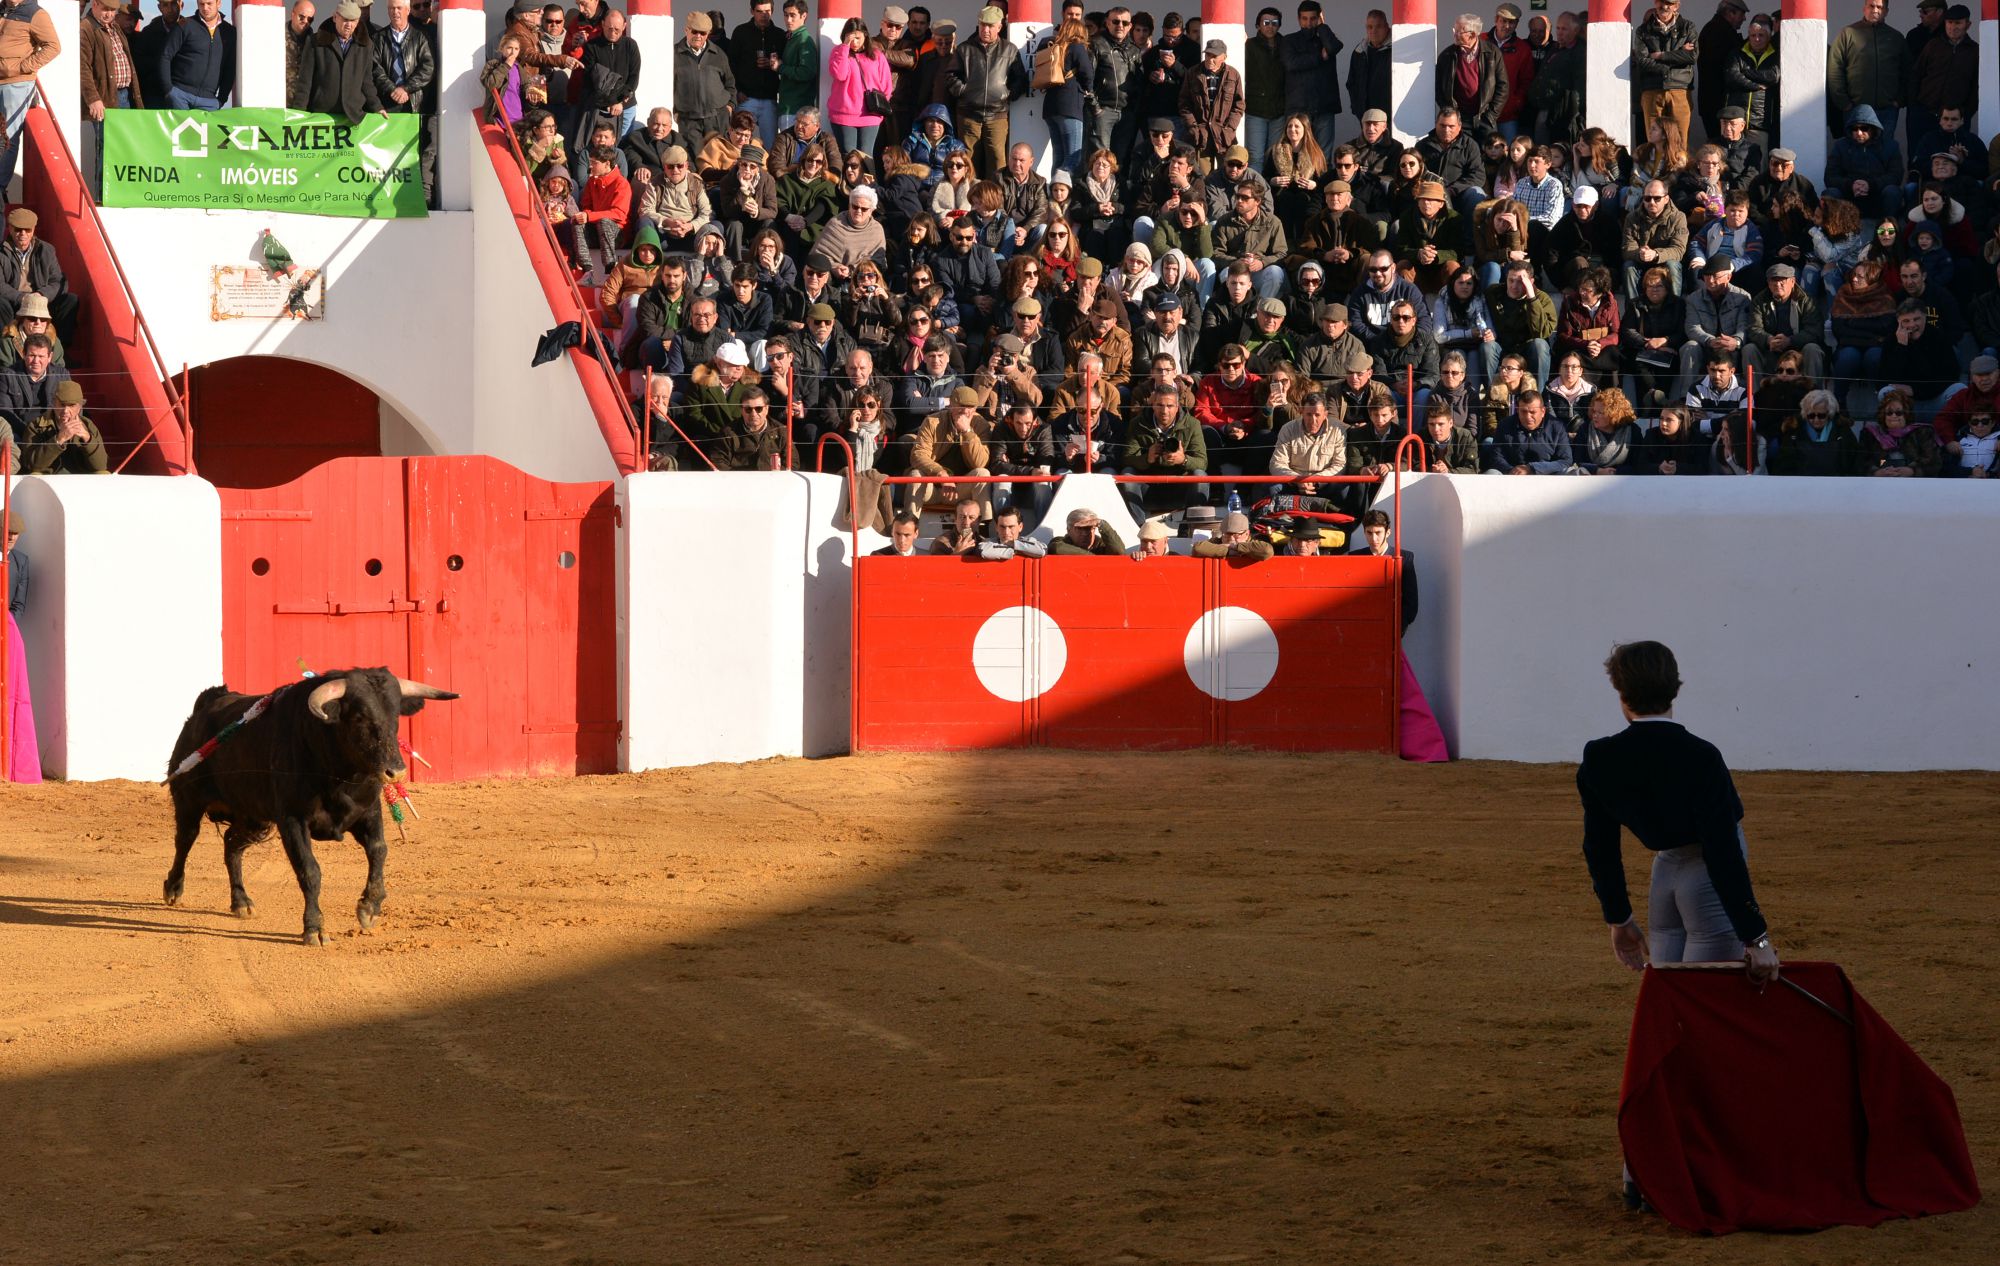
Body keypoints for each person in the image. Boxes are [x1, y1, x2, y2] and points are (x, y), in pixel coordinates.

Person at [1576, 639, 1781, 1225]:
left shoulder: (1600, 757)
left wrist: (1618, 919)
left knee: (1666, 1024)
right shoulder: (1701, 755)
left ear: (1621, 697)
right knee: (1700, 1031)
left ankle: (1638, 1171)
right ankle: (1692, 1172)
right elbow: (1721, 848)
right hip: (1707, 886)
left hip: (1661, 878)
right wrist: (1756, 935)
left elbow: (1601, 847)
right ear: (1677, 689)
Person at [946, 6, 1025, 180]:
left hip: (997, 115)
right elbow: (950, 75)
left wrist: (1007, 94)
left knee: (998, 162)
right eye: (982, 24)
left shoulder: (1009, 50)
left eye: (990, 25)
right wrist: (964, 91)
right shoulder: (964, 48)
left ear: (1000, 26)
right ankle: (967, 200)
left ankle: (995, 201)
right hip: (968, 114)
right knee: (966, 162)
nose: (985, 29)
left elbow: (1020, 78)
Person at [372, 0, 436, 203]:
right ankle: (389, 198)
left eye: (399, 8)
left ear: (408, 10)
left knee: (417, 153)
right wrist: (392, 89)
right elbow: (375, 68)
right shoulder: (379, 38)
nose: (395, 12)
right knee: (391, 152)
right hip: (390, 103)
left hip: (414, 103)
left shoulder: (420, 37)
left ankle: (417, 199)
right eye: (391, 9)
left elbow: (428, 67)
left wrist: (406, 88)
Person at [81, 0, 142, 189]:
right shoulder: (86, 27)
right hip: (104, 97)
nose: (109, 14)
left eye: (113, 11)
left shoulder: (114, 26)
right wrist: (93, 98)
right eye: (106, 9)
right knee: (106, 148)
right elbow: (82, 67)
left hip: (124, 95)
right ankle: (102, 195)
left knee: (123, 146)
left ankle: (119, 191)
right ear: (96, 5)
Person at [1827, 0, 1907, 143]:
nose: (1875, 10)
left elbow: (1907, 71)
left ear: (1886, 11)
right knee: (1856, 154)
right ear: (1864, 8)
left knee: (1885, 152)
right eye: (1871, 6)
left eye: (1880, 7)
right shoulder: (1848, 34)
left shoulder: (1896, 38)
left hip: (1886, 111)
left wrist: (1899, 100)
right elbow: (1834, 69)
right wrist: (1844, 102)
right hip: (1855, 109)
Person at [292, 2, 383, 122]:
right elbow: (305, 82)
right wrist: (298, 113)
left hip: (352, 117)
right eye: (345, 19)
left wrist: (377, 107)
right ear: (335, 17)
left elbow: (366, 82)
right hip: (321, 116)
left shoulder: (366, 45)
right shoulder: (315, 42)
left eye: (353, 21)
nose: (348, 25)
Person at [1631, 0, 1696, 159]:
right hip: (1652, 90)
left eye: (1669, 3)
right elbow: (1643, 61)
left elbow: (1692, 56)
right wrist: (1673, 62)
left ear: (1677, 5)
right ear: (1655, 3)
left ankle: (1679, 177)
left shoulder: (1688, 27)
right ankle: (1655, 176)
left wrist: (1661, 55)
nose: (1665, 6)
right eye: (1661, 2)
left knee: (1680, 139)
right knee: (1653, 139)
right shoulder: (1643, 30)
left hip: (1680, 89)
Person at [0, 210, 76, 346]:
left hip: (41, 300)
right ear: (10, 228)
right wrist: (21, 297)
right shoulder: (1, 252)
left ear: (33, 229)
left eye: (27, 230)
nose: (22, 234)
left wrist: (42, 294)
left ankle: (60, 349)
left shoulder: (47, 250)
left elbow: (58, 281)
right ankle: (7, 349)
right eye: (18, 229)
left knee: (70, 300)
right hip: (15, 301)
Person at [1280, 0, 1343, 160]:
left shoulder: (1326, 37)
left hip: (1324, 106)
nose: (1308, 23)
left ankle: (1321, 185)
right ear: (1298, 19)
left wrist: (1322, 26)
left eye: (1313, 18)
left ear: (1319, 18)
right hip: (1298, 107)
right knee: (1297, 153)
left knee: (1324, 156)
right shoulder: (1289, 40)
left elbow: (1335, 46)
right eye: (1304, 18)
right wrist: (1319, 56)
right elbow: (1291, 63)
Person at [1434, 14, 1505, 143]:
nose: (1454, 34)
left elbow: (1503, 86)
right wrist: (1449, 112)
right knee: (1460, 153)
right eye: (1454, 30)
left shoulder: (1492, 53)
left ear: (1472, 35)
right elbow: (1438, 87)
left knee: (1489, 153)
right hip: (1459, 118)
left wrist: (1491, 115)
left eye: (1458, 31)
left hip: (1485, 116)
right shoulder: (1447, 55)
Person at [827, 17, 891, 157]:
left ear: (865, 35)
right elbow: (840, 74)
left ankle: (866, 180)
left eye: (857, 38)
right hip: (843, 115)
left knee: (866, 157)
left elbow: (886, 86)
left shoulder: (877, 56)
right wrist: (845, 46)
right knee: (849, 156)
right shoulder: (838, 52)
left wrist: (879, 113)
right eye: (850, 38)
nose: (854, 42)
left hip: (870, 114)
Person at [157, 0, 233, 110]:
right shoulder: (185, 25)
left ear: (219, 3)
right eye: (201, 4)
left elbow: (230, 68)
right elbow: (165, 56)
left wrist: (221, 99)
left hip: (209, 102)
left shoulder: (229, 32)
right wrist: (169, 90)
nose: (205, 8)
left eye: (209, 3)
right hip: (179, 96)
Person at [673, 11, 736, 144]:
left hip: (717, 118)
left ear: (708, 34)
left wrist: (729, 107)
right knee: (694, 159)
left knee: (718, 159)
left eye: (703, 33)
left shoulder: (719, 54)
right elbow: (668, 86)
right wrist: (675, 111)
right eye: (695, 31)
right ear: (686, 30)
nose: (698, 36)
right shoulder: (674, 54)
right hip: (688, 120)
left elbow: (730, 83)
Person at [1348, 508, 1415, 631]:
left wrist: (1397, 628)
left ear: (1387, 532)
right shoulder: (1354, 557)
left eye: (1378, 533)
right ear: (1364, 532)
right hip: (1362, 627)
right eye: (1369, 533)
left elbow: (1411, 602)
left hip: (1392, 627)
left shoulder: (1405, 558)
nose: (1374, 538)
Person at [1695, 0, 1745, 141]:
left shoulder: (1716, 29)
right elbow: (1726, 66)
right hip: (1718, 102)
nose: (1744, 18)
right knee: (1720, 146)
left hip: (1713, 101)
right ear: (1730, 13)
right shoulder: (1718, 32)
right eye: (1742, 14)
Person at [1191, 508, 1274, 559]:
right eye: (1227, 534)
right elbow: (1197, 548)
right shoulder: (1219, 541)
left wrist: (1234, 546)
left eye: (1236, 535)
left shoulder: (1254, 542)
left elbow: (1267, 551)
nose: (1231, 539)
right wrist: (1229, 552)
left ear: (1247, 534)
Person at [1048, 505, 1126, 555]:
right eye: (1080, 528)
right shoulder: (1060, 541)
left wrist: (1101, 523)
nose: (1084, 533)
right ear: (1069, 530)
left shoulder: (1101, 545)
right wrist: (1095, 559)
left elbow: (1119, 551)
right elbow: (1056, 548)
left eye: (1089, 528)